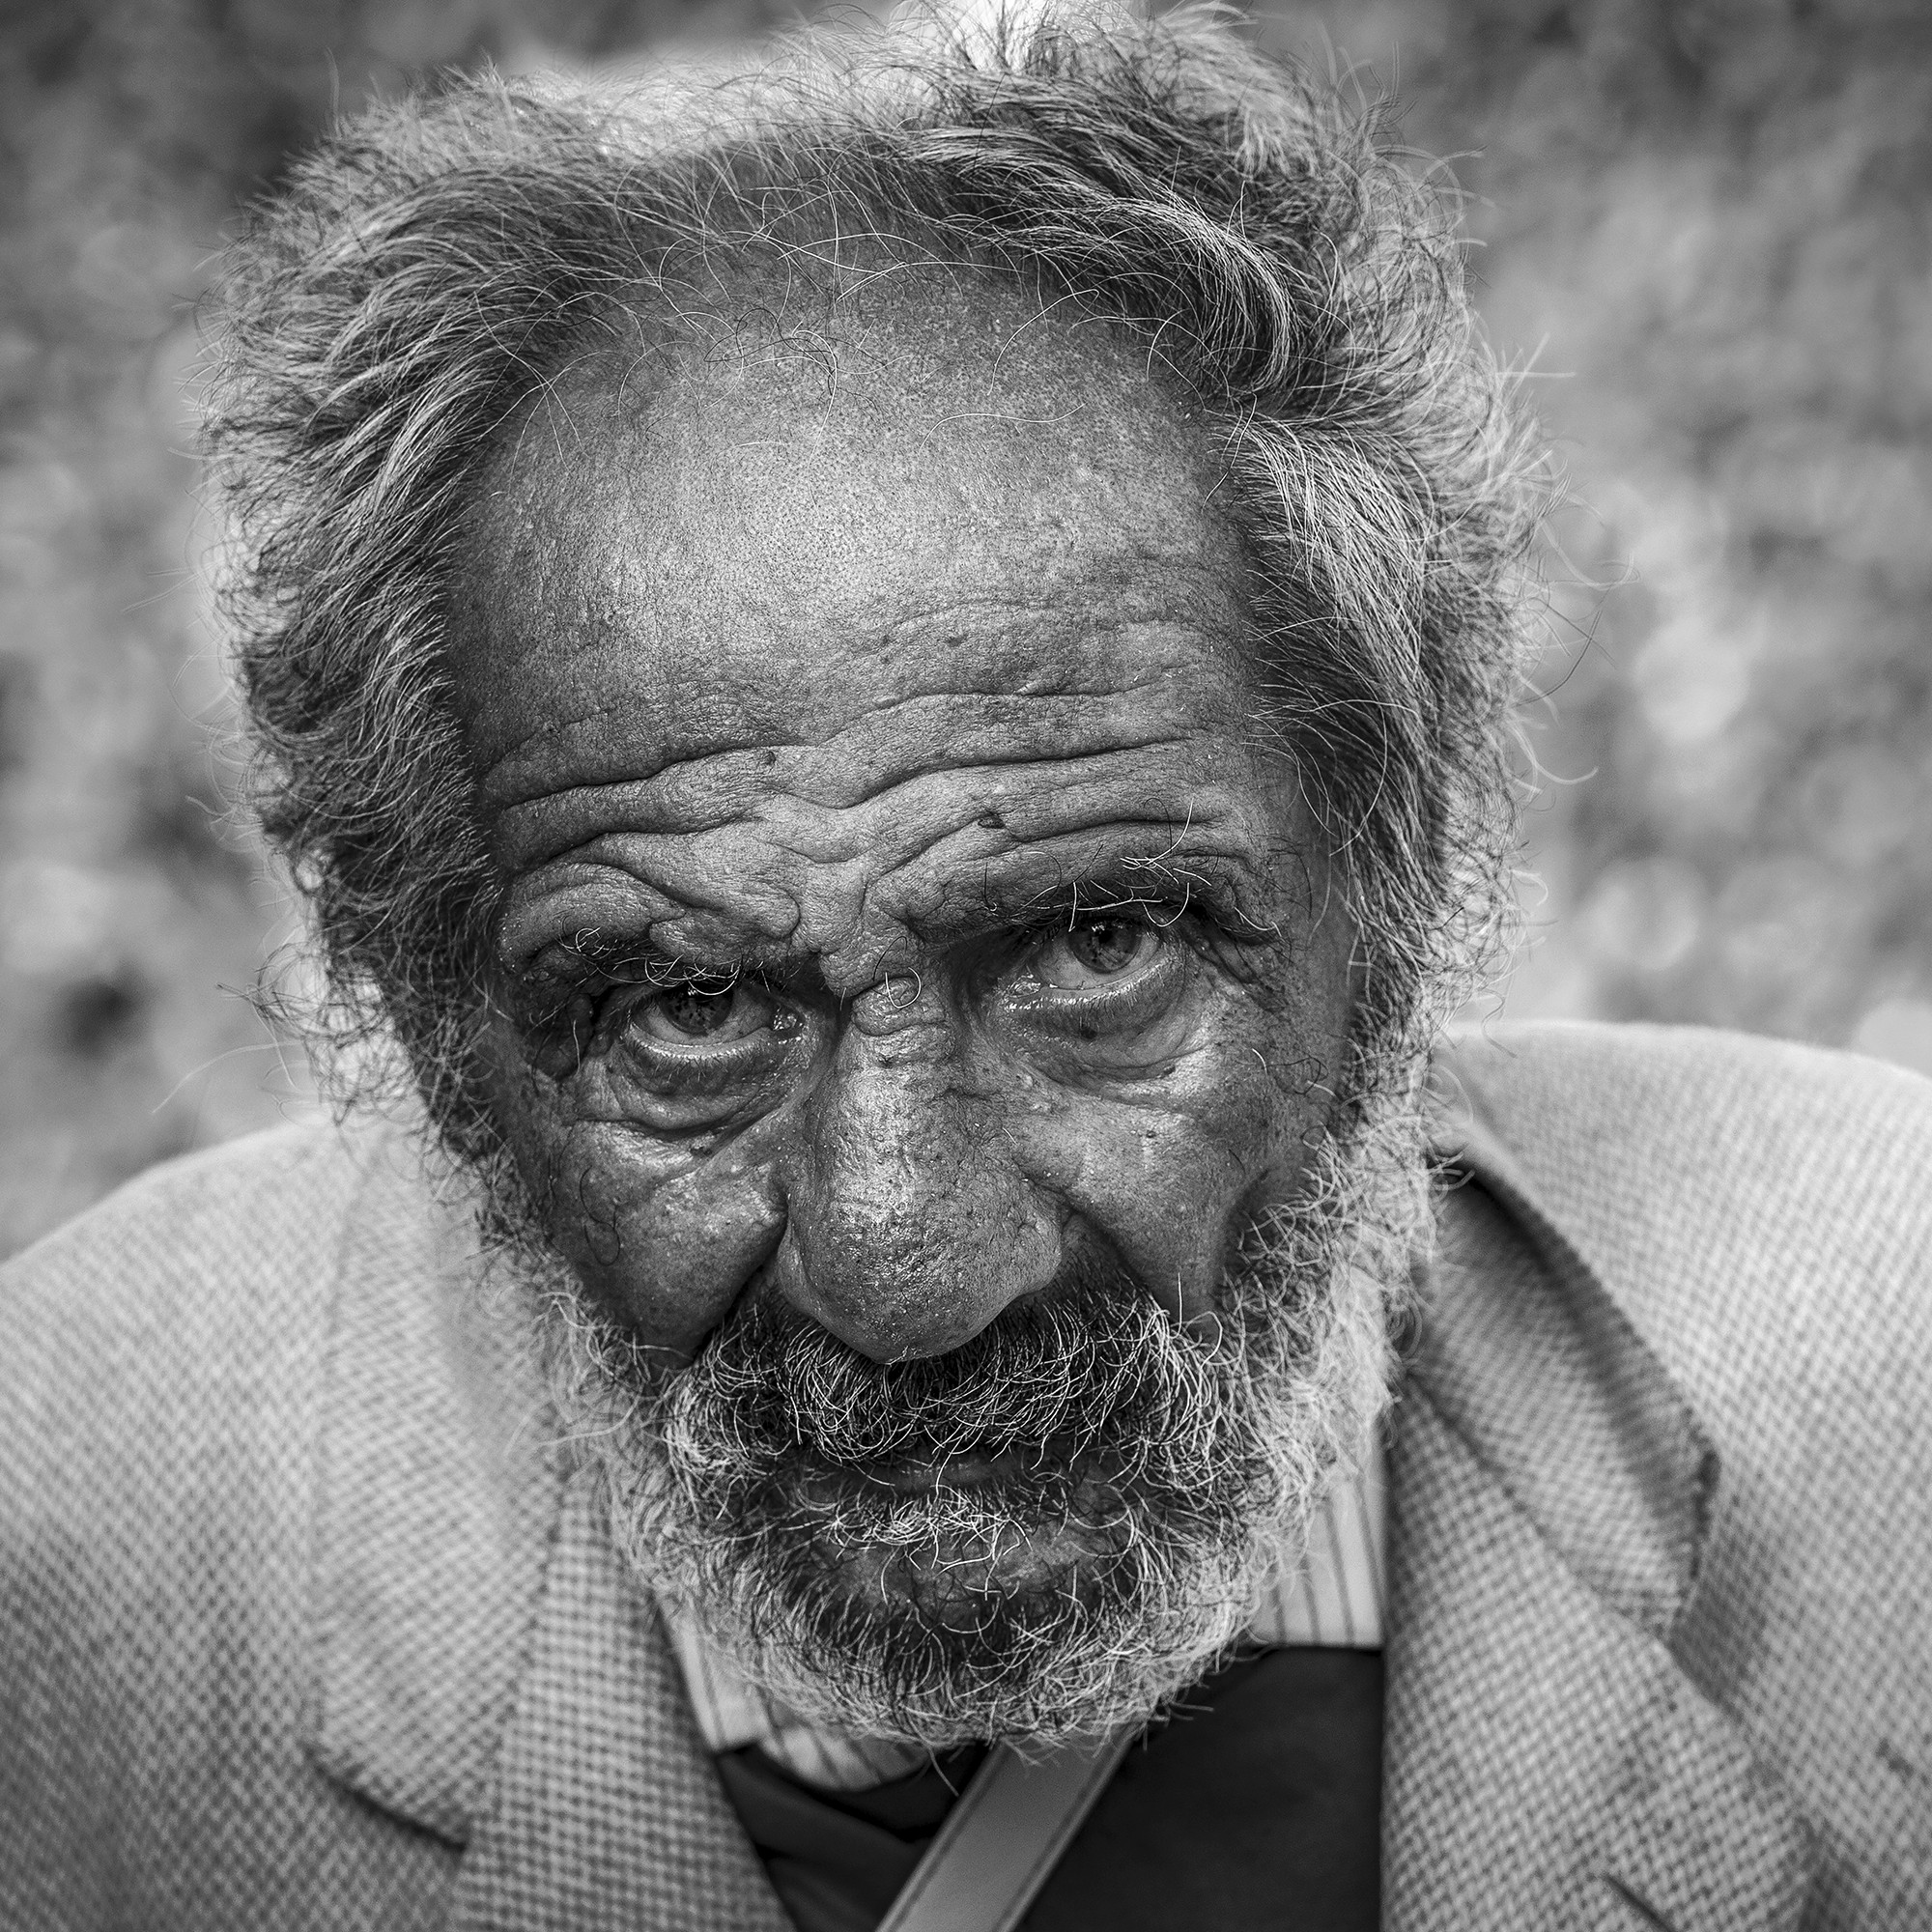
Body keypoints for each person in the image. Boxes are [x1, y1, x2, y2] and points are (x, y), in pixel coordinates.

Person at [2, 8, 1926, 1928]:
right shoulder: (82, 1555)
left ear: (1400, 883)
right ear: (433, 1037)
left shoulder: (1886, 1405)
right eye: (689, 1007)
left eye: (1098, 948)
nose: (906, 1264)